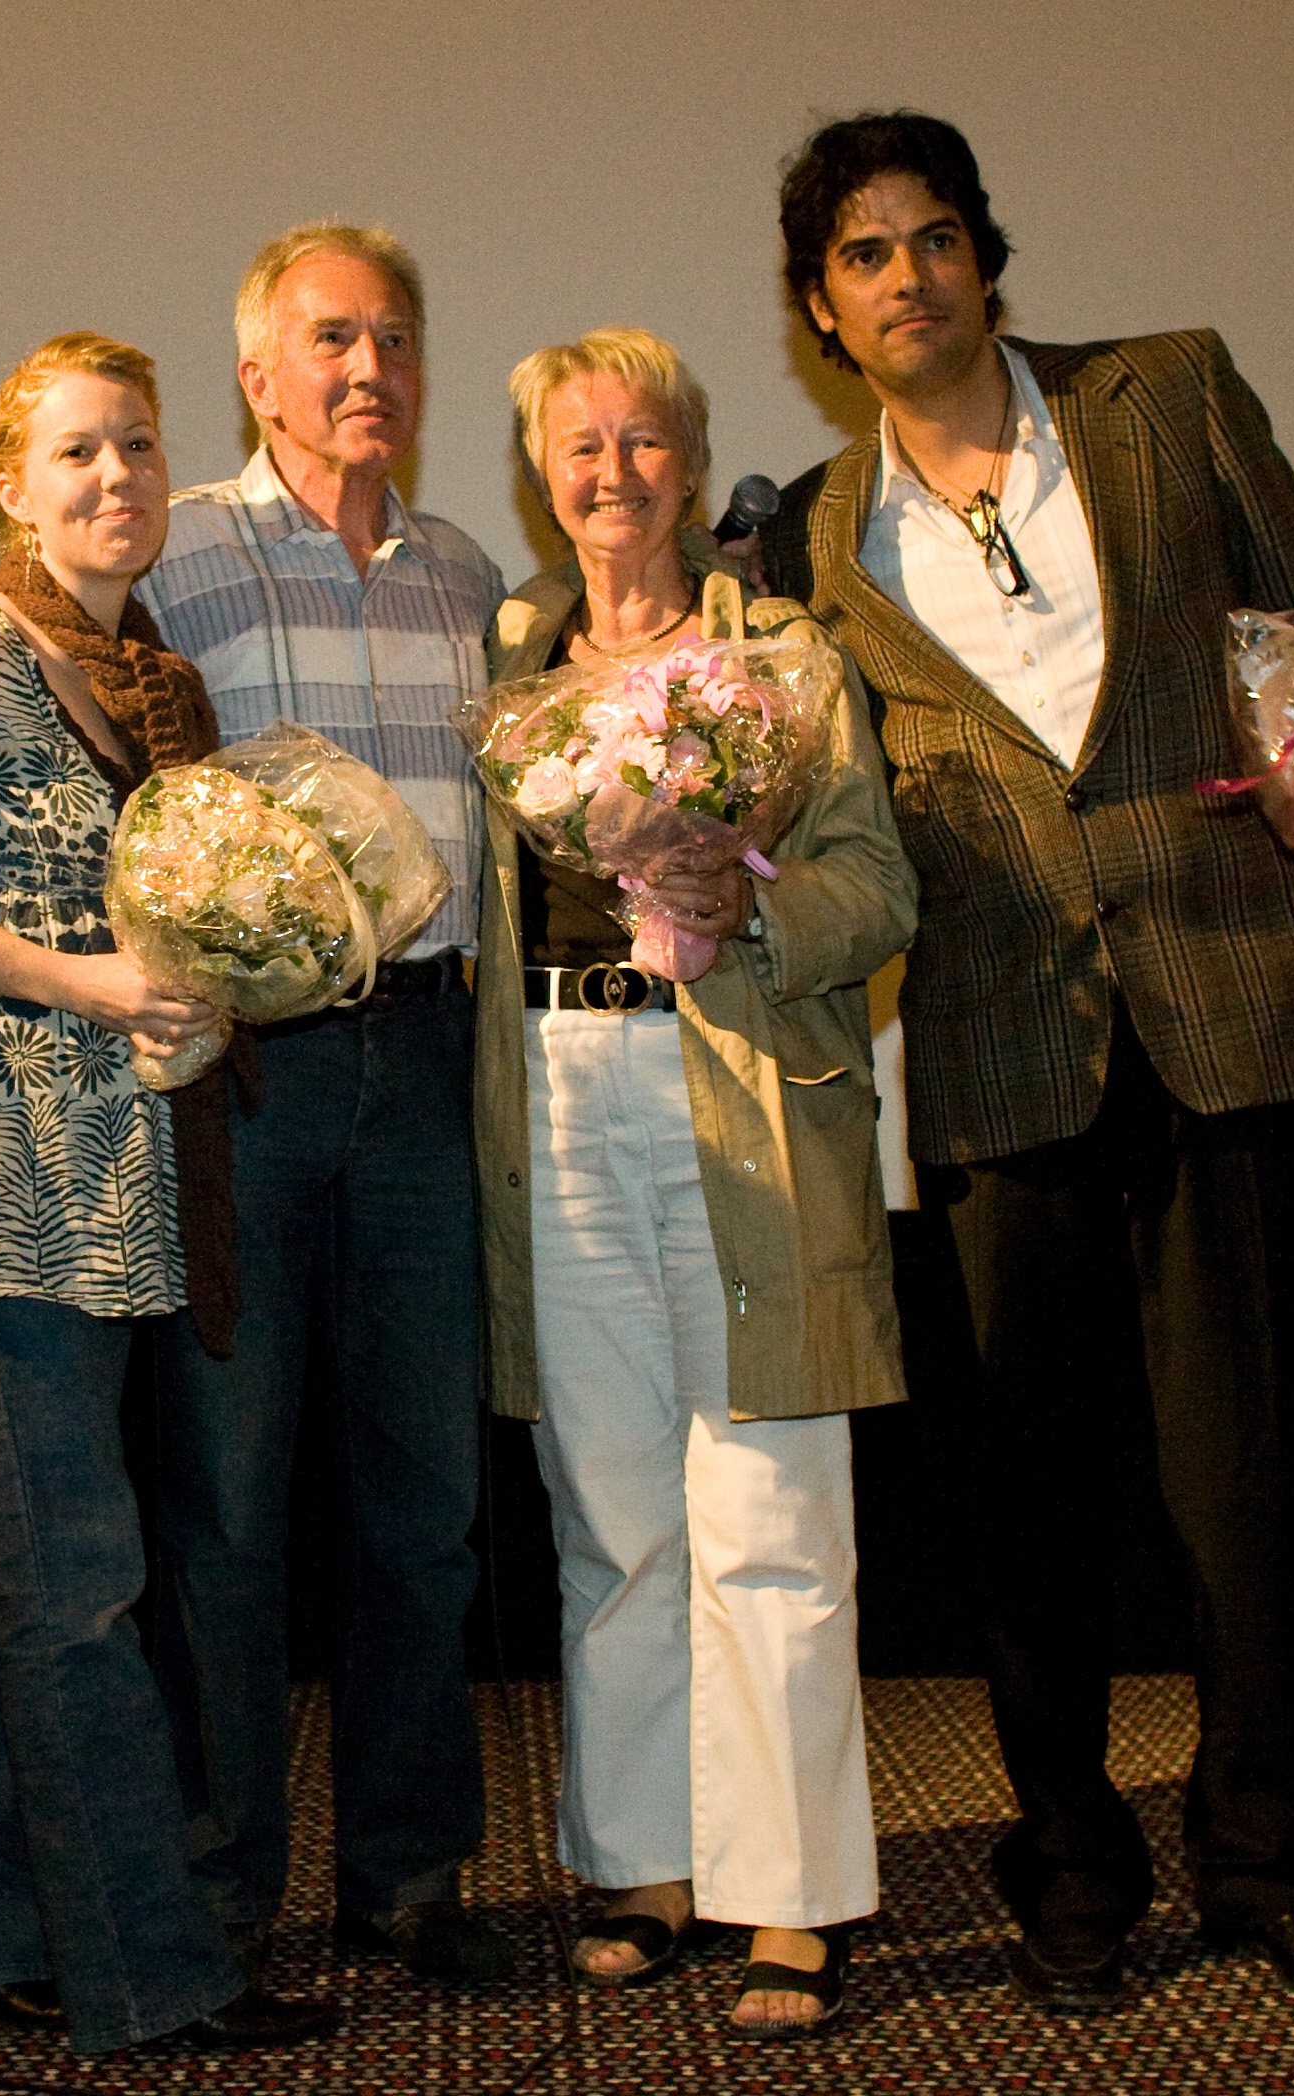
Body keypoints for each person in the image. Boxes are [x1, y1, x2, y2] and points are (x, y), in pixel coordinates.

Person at [752, 113, 1294, 2015]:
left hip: (1228, 998)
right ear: (822, 309)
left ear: (988, 255)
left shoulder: (1166, 397)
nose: (909, 277)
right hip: (995, 1043)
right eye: (866, 257)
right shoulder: (812, 527)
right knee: (1030, 1502)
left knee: (1248, 1480)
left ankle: (1266, 1867)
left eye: (936, 237)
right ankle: (1068, 1872)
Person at [0, 228, 513, 1987]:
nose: (365, 368)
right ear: (257, 375)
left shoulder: (473, 583)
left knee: (424, 1502)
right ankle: (219, 1887)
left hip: (431, 1064)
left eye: (393, 337)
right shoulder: (178, 544)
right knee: (221, 1512)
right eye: (326, 339)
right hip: (252, 1084)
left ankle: (410, 1872)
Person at [0, 332, 335, 2053]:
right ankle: (153, 1974)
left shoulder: (157, 678)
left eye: (134, 448)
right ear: (12, 486)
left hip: (109, 1192)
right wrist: (90, 980)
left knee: (5, 1579)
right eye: (75, 456)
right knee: (81, 1587)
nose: (113, 480)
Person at [475, 329, 915, 2038]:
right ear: (541, 473)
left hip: (735, 1093)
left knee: (771, 1516)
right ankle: (645, 1868)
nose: (612, 473)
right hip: (562, 1104)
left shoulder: (784, 658)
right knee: (612, 1517)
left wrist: (750, 914)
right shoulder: (511, 660)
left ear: (691, 456)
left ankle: (792, 1897)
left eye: (644, 441)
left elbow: (875, 884)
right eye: (577, 446)